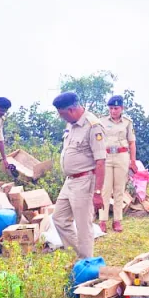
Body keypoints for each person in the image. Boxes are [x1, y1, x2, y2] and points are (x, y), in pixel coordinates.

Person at [51, 92, 105, 259]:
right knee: (59, 218)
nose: (61, 118)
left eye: (62, 114)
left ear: (72, 110)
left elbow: (101, 161)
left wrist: (97, 192)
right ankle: (79, 257)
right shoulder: (71, 124)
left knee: (83, 226)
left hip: (85, 181)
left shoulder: (93, 126)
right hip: (70, 181)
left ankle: (87, 263)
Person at [98, 95, 137, 232]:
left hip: (122, 156)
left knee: (119, 189)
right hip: (106, 156)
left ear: (122, 108)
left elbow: (132, 143)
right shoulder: (101, 121)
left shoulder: (127, 122)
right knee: (105, 189)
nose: (113, 111)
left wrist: (133, 161)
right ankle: (102, 220)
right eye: (111, 108)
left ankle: (117, 220)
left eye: (116, 108)